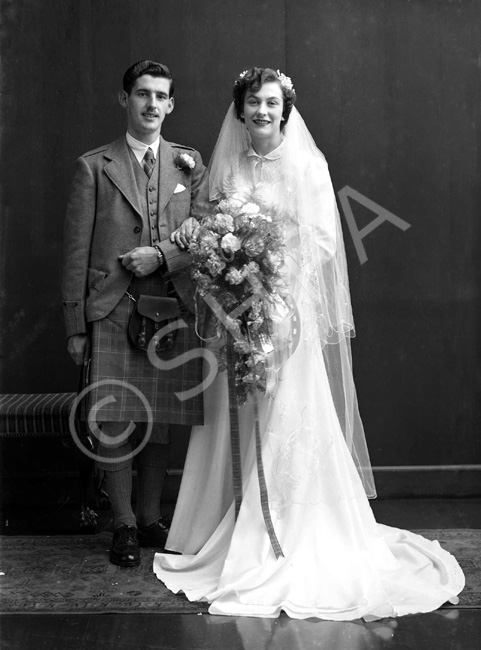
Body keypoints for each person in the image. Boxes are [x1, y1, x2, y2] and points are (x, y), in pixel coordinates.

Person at [153, 67, 465, 620]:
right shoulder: (228, 165)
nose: (262, 112)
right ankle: (222, 524)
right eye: (254, 103)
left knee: (285, 414)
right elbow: (208, 226)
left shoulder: (307, 165)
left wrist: (270, 283)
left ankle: (289, 530)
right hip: (238, 315)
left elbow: (322, 239)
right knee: (237, 414)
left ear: (285, 109)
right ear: (241, 109)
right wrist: (229, 272)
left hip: (282, 312)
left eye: (271, 103)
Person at [62, 60, 207, 568]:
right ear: (125, 99)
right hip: (111, 310)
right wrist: (75, 324)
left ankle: (149, 519)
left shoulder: (191, 165)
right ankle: (122, 523)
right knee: (116, 419)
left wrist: (163, 255)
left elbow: (207, 239)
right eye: (142, 93)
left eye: (160, 95)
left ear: (171, 104)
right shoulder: (93, 167)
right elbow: (75, 251)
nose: (151, 104)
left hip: (171, 310)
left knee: (161, 419)